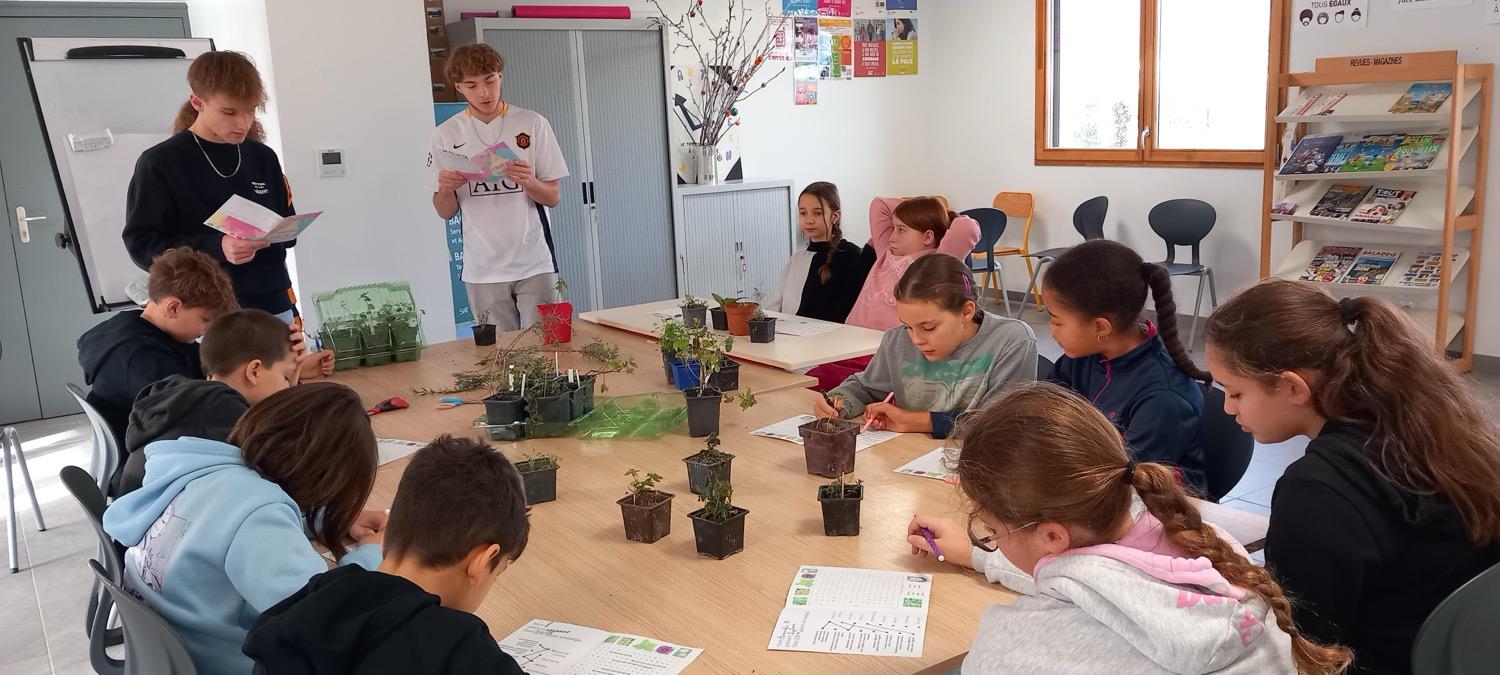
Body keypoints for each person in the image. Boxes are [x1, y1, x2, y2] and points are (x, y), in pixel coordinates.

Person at [909, 383, 1350, 674]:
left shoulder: (1013, 650)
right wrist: (978, 555)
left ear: (1052, 537)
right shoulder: (1206, 547)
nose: (992, 542)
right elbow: (1103, 579)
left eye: (990, 531)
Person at [1205, 281, 1500, 675]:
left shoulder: (1317, 491)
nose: (1227, 408)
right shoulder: (1427, 426)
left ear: (1292, 386)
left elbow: (1300, 645)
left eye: (1235, 393)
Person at [102, 383, 386, 675]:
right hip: (224, 664)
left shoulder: (209, 470)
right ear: (325, 476)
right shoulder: (258, 510)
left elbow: (228, 529)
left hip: (169, 654)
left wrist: (330, 520)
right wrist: (371, 555)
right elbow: (324, 617)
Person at [243, 435, 530, 674]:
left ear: (388, 533)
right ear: (482, 560)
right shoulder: (460, 648)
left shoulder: (306, 603)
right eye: (498, 571)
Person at [123, 51, 299, 320]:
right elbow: (142, 245)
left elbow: (287, 231)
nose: (243, 123)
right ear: (197, 102)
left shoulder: (262, 157)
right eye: (229, 112)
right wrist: (218, 247)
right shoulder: (161, 163)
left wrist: (279, 233)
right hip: (204, 313)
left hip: (272, 304)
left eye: (250, 110)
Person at [1041, 240, 1214, 493]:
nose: (1051, 329)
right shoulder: (1083, 357)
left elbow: (1127, 481)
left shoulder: (1163, 396)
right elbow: (1043, 413)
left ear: (1101, 327)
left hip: (1153, 501)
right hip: (1088, 483)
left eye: (1057, 321)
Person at [814, 254, 1034, 438]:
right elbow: (865, 387)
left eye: (929, 327)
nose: (916, 339)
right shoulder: (897, 340)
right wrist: (839, 401)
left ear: (966, 311)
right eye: (907, 326)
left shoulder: (1011, 340)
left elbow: (1003, 424)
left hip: (977, 461)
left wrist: (920, 422)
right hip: (908, 458)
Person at [429, 43, 568, 332]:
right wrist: (446, 189)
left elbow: (553, 197)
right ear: (459, 87)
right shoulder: (446, 134)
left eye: (490, 81)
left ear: (500, 77)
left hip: (535, 261)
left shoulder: (532, 123)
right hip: (482, 268)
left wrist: (528, 181)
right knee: (497, 354)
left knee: (548, 346)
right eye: (472, 85)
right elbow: (445, 211)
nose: (484, 93)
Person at [77, 247, 239, 464]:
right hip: (148, 464)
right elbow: (193, 411)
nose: (207, 329)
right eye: (205, 320)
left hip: (151, 450)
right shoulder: (141, 359)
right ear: (173, 308)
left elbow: (200, 364)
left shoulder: (141, 329)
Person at [116, 309, 303, 496]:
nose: (288, 387)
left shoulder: (191, 402)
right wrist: (293, 402)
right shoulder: (228, 420)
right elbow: (292, 476)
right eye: (286, 377)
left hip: (139, 511)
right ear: (254, 371)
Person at [811, 196, 980, 391]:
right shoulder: (885, 252)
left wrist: (946, 216)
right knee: (812, 379)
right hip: (851, 341)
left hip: (882, 349)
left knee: (835, 385)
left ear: (927, 237)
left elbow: (967, 228)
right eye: (893, 228)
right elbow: (879, 204)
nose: (892, 236)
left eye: (901, 230)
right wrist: (914, 211)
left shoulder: (935, 264)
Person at [764, 181, 871, 323]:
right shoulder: (797, 259)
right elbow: (775, 305)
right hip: (790, 333)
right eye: (803, 213)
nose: (809, 220)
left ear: (835, 216)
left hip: (833, 335)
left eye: (817, 213)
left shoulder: (851, 255)